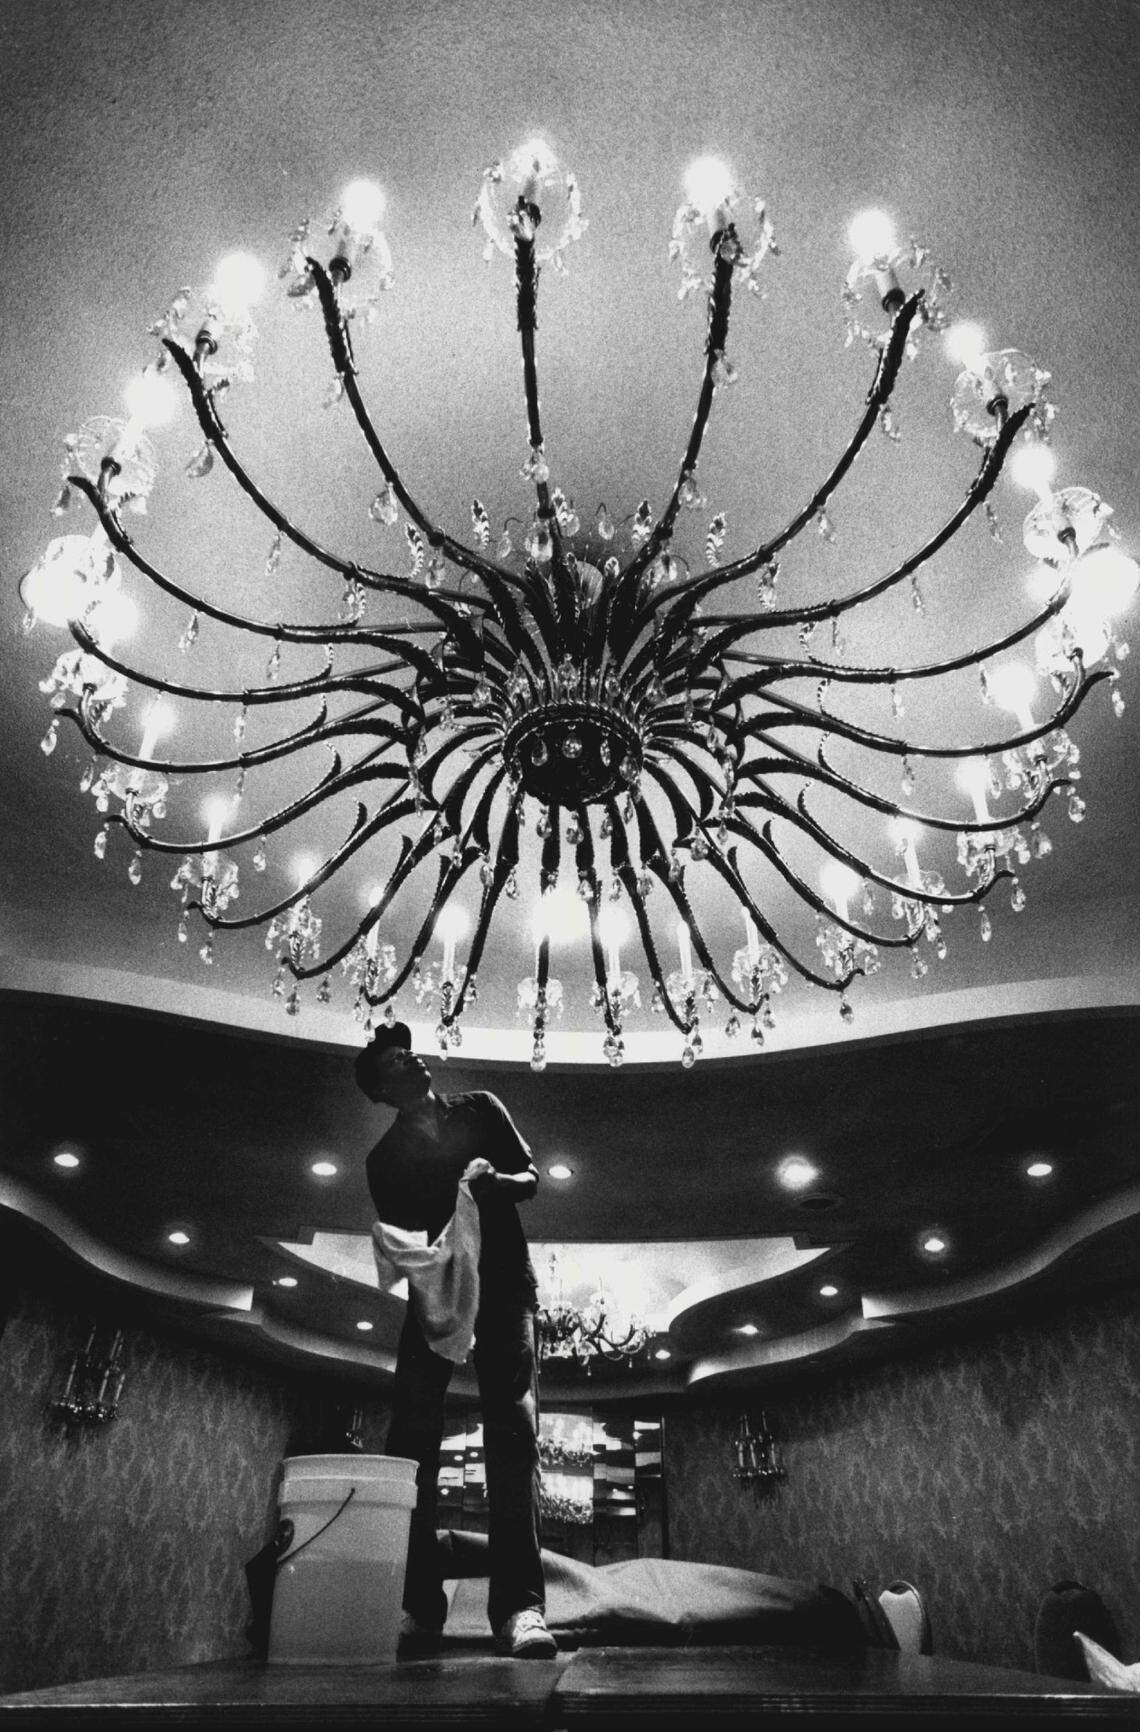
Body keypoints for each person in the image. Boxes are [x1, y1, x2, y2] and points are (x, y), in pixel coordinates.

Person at [354, 1021, 556, 1659]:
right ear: (381, 1090)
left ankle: (519, 1609)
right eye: (394, 1059)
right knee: (410, 1436)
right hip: (435, 1294)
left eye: (409, 1050)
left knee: (513, 1432)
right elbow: (406, 1244)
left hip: (504, 1283)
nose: (410, 1059)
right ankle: (418, 1605)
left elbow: (532, 1178)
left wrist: (497, 1184)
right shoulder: (383, 1161)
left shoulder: (481, 1110)